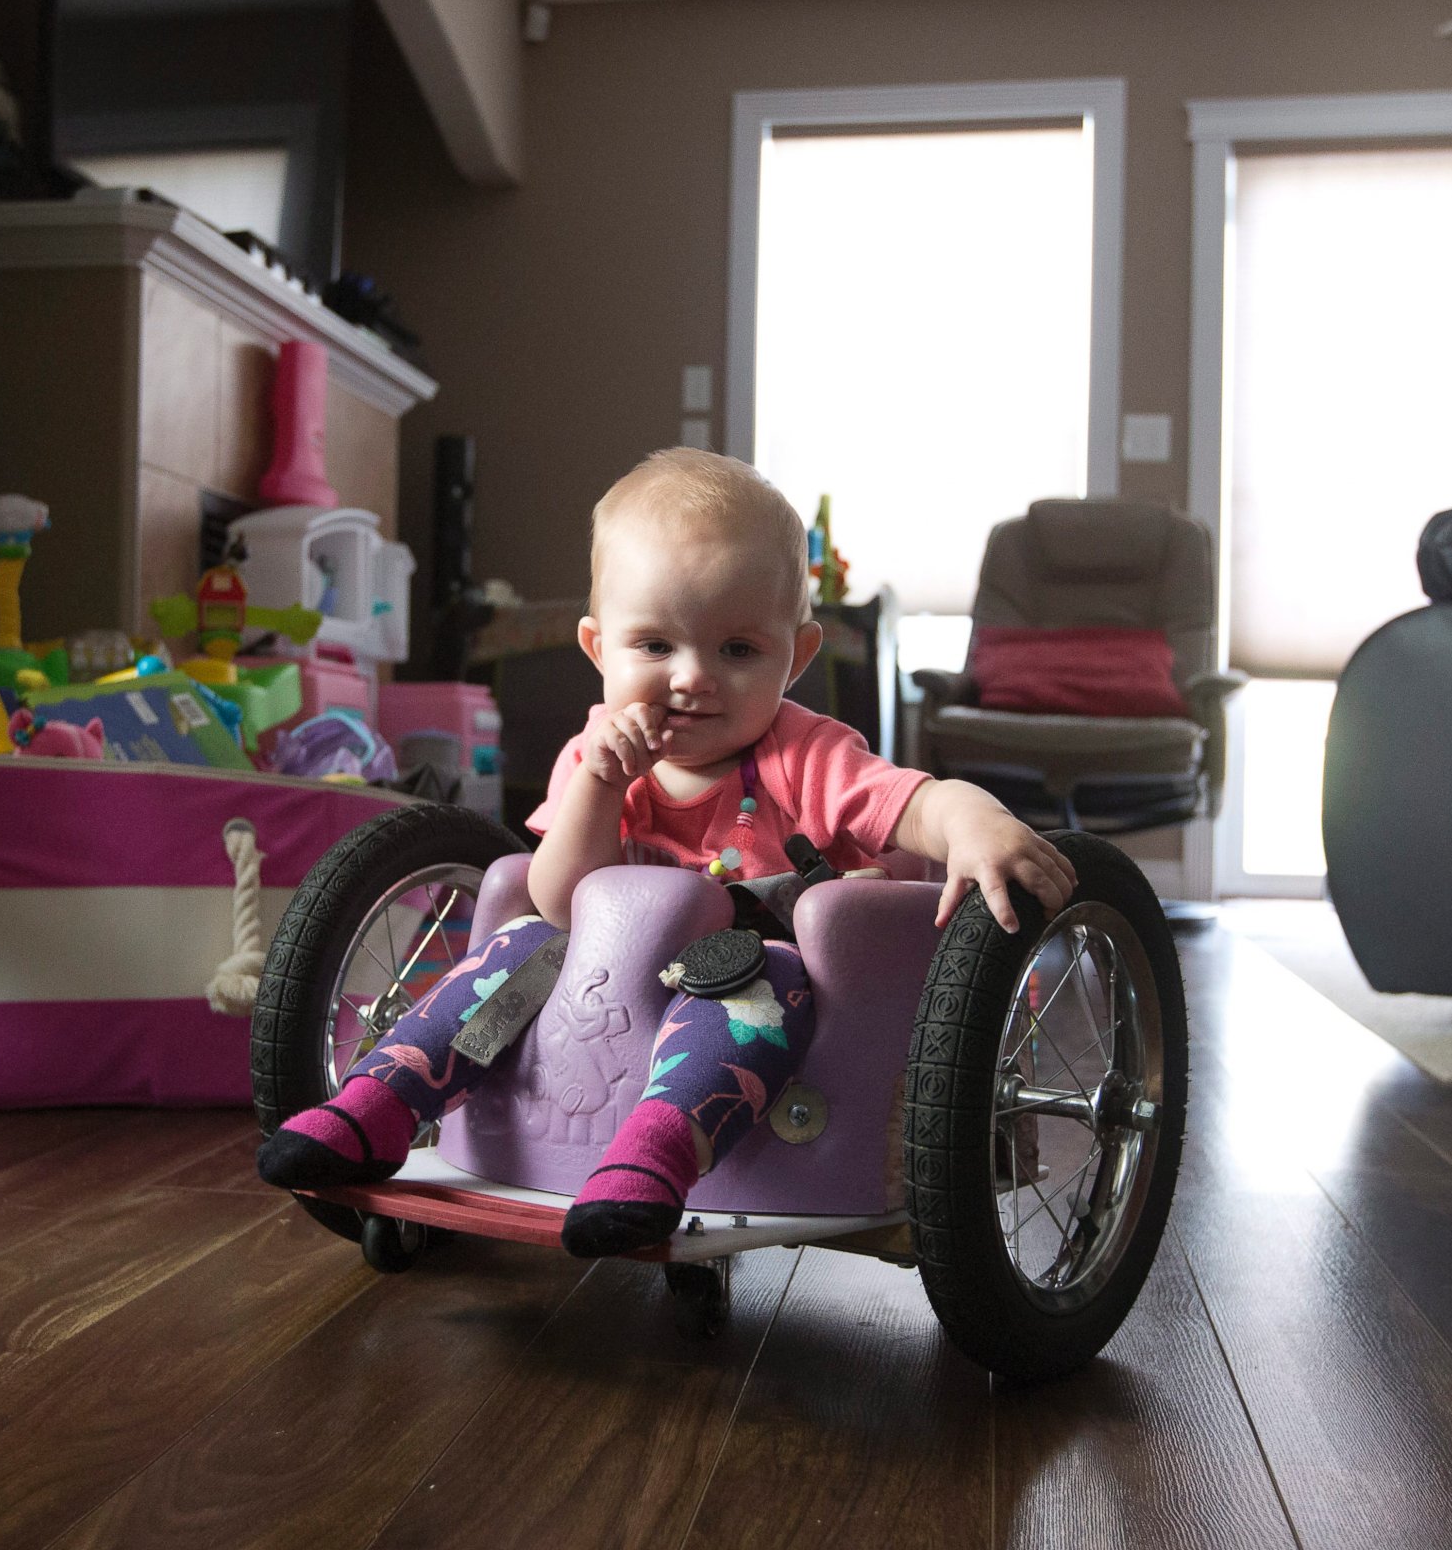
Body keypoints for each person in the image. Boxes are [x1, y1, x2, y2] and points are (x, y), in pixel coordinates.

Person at [256, 448, 1078, 1255]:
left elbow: (914, 802)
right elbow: (555, 898)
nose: (692, 679)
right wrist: (600, 791)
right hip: (597, 994)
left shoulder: (807, 756)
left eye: (737, 651)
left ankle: (652, 1161)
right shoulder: (595, 757)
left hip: (763, 991)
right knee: (518, 945)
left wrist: (973, 819)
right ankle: (380, 1102)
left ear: (795, 657)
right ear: (597, 647)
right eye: (654, 646)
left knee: (762, 983)